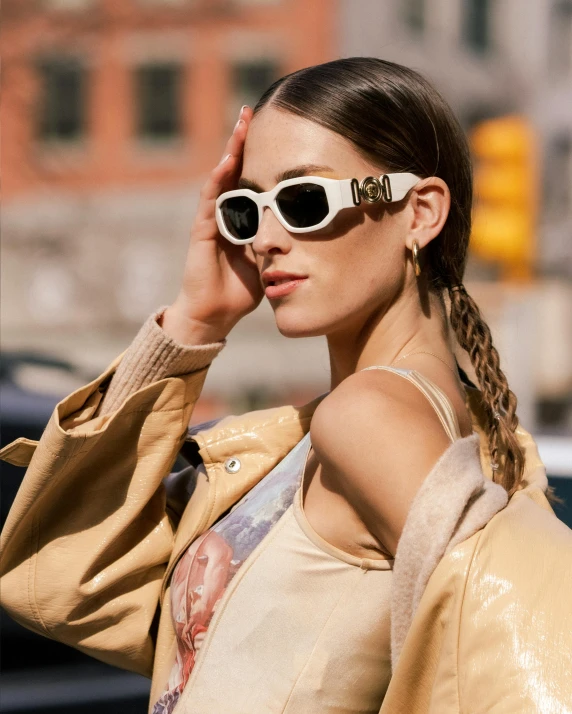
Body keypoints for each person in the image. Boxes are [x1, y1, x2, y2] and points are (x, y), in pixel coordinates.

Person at [1, 57, 571, 714]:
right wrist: (196, 319)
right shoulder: (346, 427)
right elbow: (67, 584)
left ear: (419, 212)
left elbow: (538, 664)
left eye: (303, 201)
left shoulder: (369, 416)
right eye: (245, 208)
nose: (266, 239)